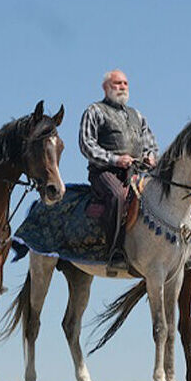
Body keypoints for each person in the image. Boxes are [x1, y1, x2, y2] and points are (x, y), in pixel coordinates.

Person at [79, 69, 158, 275]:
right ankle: (115, 251)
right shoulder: (94, 111)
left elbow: (151, 143)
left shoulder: (137, 115)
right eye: (117, 84)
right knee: (117, 196)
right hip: (105, 172)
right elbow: (86, 144)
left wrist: (150, 157)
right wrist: (115, 159)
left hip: (136, 172)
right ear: (106, 88)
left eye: (125, 84)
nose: (122, 87)